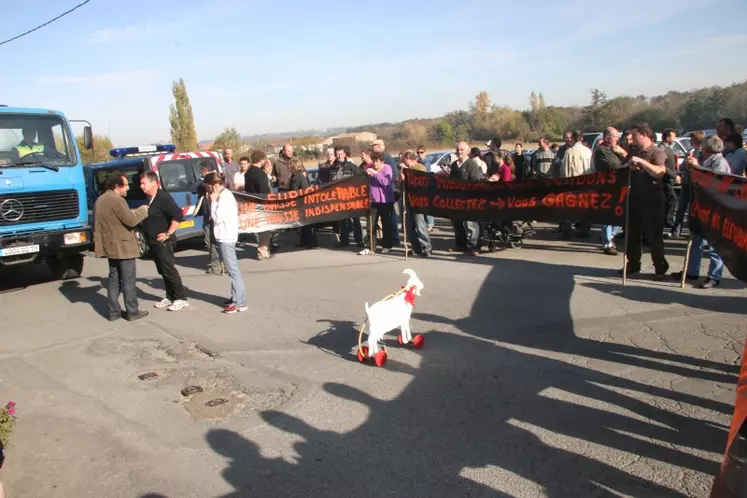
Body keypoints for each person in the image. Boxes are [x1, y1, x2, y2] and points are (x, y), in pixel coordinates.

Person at [672, 135, 731, 288]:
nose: (700, 149)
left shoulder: (719, 162)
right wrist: (688, 163)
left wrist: (697, 166)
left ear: (708, 147)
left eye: (703, 146)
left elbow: (713, 182)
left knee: (714, 245)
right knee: (695, 241)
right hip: (698, 206)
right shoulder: (699, 156)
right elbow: (685, 170)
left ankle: (714, 276)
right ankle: (692, 271)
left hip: (713, 208)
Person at [93, 172, 150, 321]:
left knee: (113, 279)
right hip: (124, 247)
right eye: (125, 185)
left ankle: (114, 313)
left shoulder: (100, 200)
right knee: (128, 280)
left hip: (110, 246)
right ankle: (132, 312)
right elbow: (130, 220)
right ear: (117, 186)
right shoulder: (117, 200)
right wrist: (142, 210)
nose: (128, 189)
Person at [620, 122, 669, 280]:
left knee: (654, 235)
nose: (631, 139)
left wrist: (642, 163)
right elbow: (622, 167)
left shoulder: (657, 152)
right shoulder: (633, 151)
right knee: (632, 234)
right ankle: (633, 265)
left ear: (644, 135)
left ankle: (660, 267)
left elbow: (659, 172)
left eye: (634, 135)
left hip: (653, 199)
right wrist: (630, 166)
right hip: (635, 198)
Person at [139, 172, 189, 311]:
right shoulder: (150, 198)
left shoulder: (163, 197)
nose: (141, 186)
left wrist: (169, 233)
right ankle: (170, 296)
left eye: (144, 183)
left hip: (164, 242)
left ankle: (181, 298)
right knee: (162, 270)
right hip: (153, 242)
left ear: (154, 183)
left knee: (169, 270)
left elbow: (178, 214)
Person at [204, 172, 247, 313]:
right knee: (232, 270)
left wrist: (213, 202)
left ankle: (240, 302)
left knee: (233, 271)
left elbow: (217, 218)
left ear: (214, 186)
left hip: (226, 237)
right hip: (225, 236)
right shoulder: (225, 195)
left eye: (209, 187)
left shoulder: (223, 197)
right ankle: (236, 297)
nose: (208, 190)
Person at [594, 127, 627, 255]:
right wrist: (623, 154)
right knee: (607, 216)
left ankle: (611, 236)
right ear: (607, 138)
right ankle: (607, 243)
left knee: (621, 214)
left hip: (618, 186)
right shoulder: (601, 151)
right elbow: (616, 166)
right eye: (615, 137)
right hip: (606, 187)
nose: (617, 139)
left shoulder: (613, 150)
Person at [449, 141, 484, 255]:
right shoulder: (454, 165)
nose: (459, 152)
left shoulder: (471, 164)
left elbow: (475, 182)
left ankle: (475, 246)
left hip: (469, 199)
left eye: (462, 150)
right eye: (458, 149)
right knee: (456, 222)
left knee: (471, 224)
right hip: (456, 199)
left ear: (468, 151)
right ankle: (460, 245)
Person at [359, 152, 394, 255]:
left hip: (386, 201)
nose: (375, 164)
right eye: (374, 161)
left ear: (382, 161)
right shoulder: (369, 167)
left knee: (386, 224)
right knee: (370, 224)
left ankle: (387, 245)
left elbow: (386, 182)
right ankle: (370, 246)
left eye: (377, 161)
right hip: (373, 201)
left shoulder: (387, 168)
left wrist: (375, 174)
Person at [560, 130, 593, 239]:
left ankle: (567, 232)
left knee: (567, 209)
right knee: (585, 208)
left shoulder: (570, 152)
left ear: (573, 138)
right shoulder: (589, 151)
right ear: (582, 138)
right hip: (587, 184)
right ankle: (585, 230)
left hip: (574, 184)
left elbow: (564, 171)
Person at [400, 150, 432, 257]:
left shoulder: (419, 167)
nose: (402, 161)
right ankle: (416, 247)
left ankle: (426, 247)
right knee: (409, 226)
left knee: (420, 225)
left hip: (417, 201)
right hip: (407, 200)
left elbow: (421, 183)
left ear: (408, 158)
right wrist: (400, 179)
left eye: (403, 159)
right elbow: (398, 185)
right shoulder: (403, 170)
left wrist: (407, 176)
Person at [671, 131, 704, 238]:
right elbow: (681, 168)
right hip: (686, 183)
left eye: (692, 139)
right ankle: (676, 230)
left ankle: (692, 231)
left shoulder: (704, 153)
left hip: (696, 184)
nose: (690, 141)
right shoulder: (690, 152)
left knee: (693, 208)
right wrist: (686, 161)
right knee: (681, 207)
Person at [244, 150, 274, 260]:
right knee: (265, 229)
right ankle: (263, 251)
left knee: (260, 228)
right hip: (261, 204)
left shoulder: (248, 172)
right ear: (261, 159)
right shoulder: (260, 173)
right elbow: (264, 191)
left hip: (252, 203)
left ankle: (262, 249)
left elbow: (247, 189)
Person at [289, 158, 317, 249]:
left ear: (294, 166)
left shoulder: (300, 176)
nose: (289, 166)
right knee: (302, 224)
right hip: (298, 203)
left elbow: (305, 189)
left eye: (290, 165)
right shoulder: (294, 176)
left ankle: (311, 242)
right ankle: (304, 241)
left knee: (307, 224)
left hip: (303, 203)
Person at [659, 128, 679, 233]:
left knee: (668, 200)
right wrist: (674, 176)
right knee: (672, 200)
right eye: (673, 137)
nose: (674, 139)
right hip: (664, 179)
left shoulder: (668, 148)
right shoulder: (662, 149)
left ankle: (665, 222)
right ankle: (668, 221)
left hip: (669, 179)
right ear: (667, 137)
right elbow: (662, 166)